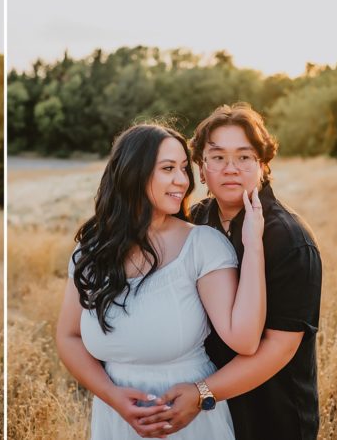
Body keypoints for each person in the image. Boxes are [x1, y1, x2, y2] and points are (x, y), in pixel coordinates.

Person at [54, 123, 265, 439]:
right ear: (133, 174)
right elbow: (68, 337)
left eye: (183, 168)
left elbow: (245, 339)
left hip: (187, 420)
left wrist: (254, 245)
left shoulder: (202, 245)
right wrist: (113, 396)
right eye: (168, 168)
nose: (182, 180)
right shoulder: (92, 251)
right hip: (115, 420)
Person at [139, 104, 322, 440]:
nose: (231, 169)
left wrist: (203, 393)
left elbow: (279, 347)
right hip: (206, 418)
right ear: (201, 167)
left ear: (263, 165)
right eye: (218, 157)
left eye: (244, 157)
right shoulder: (194, 220)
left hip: (271, 414)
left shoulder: (290, 241)